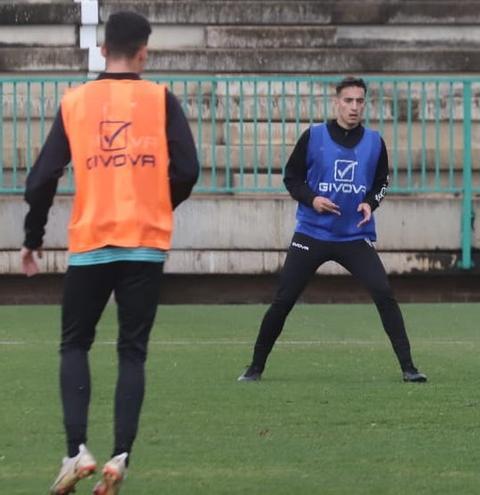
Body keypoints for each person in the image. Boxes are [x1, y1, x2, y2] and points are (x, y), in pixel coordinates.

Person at [22, 11, 200, 494]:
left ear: (103, 50)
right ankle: (120, 456)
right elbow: (188, 168)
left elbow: (40, 179)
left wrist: (33, 237)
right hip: (144, 245)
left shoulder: (76, 102)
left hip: (91, 244)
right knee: (132, 353)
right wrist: (158, 203)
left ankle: (77, 449)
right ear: (144, 51)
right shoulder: (160, 99)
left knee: (75, 344)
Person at [238, 77, 427, 384]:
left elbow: (381, 183)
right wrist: (312, 199)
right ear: (337, 102)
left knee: (383, 293)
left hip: (353, 236)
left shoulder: (375, 142)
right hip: (312, 233)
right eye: (348, 100)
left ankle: (409, 368)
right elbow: (291, 178)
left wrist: (369, 203)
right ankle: (255, 368)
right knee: (284, 299)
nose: (354, 107)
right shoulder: (313, 136)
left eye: (360, 101)